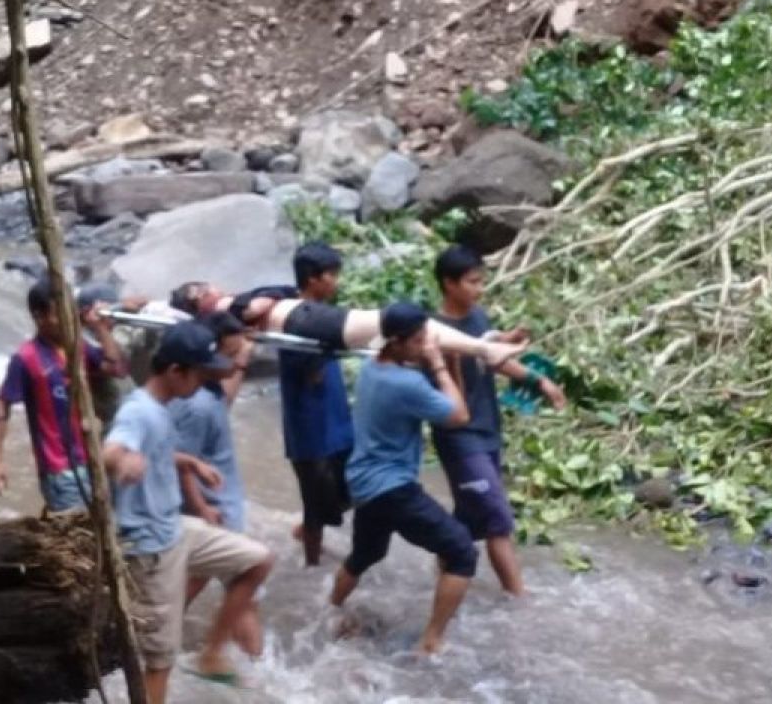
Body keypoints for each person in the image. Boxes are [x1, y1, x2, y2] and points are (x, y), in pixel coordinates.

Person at [103, 321, 274, 703]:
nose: (202, 383)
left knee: (257, 561)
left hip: (176, 527)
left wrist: (188, 463)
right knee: (160, 661)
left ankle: (212, 654)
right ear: (175, 371)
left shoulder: (163, 409)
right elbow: (112, 449)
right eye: (198, 374)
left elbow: (156, 449)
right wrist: (122, 463)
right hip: (149, 546)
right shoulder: (139, 411)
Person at [330, 301, 479, 655]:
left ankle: (330, 610)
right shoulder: (406, 383)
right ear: (396, 342)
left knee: (366, 554)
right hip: (391, 487)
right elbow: (459, 415)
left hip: (364, 483)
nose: (424, 346)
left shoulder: (371, 366)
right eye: (418, 341)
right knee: (461, 551)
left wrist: (444, 363)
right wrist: (441, 364)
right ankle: (431, 642)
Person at [431, 245, 566, 596]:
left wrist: (539, 381)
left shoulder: (476, 316)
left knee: (470, 514)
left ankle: (445, 570)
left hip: (488, 429)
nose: (480, 288)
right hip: (458, 435)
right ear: (449, 283)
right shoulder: (435, 332)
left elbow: (492, 357)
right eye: (473, 282)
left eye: (481, 281)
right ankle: (520, 602)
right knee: (497, 518)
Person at [0, 278, 127, 512]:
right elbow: (1, 407)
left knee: (106, 529)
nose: (69, 319)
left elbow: (117, 369)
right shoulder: (26, 358)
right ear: (39, 317)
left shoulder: (78, 347)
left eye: (71, 311)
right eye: (59, 313)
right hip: (59, 470)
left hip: (94, 458)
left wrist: (101, 329)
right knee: (80, 538)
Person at [168, 276, 525, 368]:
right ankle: (485, 347)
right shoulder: (224, 307)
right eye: (204, 287)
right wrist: (266, 301)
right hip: (303, 320)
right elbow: (253, 310)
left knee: (406, 324)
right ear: (200, 298)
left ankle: (486, 345)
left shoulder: (220, 311)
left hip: (303, 318)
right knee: (396, 322)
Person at [170, 311, 262, 654]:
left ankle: (140, 641)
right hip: (216, 509)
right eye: (230, 356)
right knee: (245, 593)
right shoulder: (196, 407)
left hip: (218, 507)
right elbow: (182, 464)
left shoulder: (208, 392)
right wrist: (203, 508)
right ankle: (252, 674)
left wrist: (244, 355)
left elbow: (226, 397)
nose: (235, 364)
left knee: (186, 585)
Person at [278, 242, 355, 566]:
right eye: (331, 276)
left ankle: (304, 535)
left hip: (336, 424)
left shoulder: (318, 318)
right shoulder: (297, 322)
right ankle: (311, 566)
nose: (336, 282)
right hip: (311, 432)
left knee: (349, 492)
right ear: (313, 278)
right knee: (315, 508)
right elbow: (312, 374)